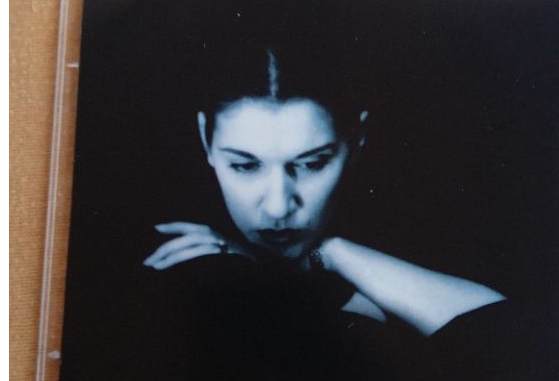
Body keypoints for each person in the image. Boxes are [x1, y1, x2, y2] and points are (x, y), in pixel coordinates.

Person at [143, 48, 505, 336]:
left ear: (356, 141)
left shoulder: (429, 230)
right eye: (245, 166)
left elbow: (505, 339)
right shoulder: (170, 257)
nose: (278, 207)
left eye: (313, 163)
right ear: (205, 138)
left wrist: (331, 254)